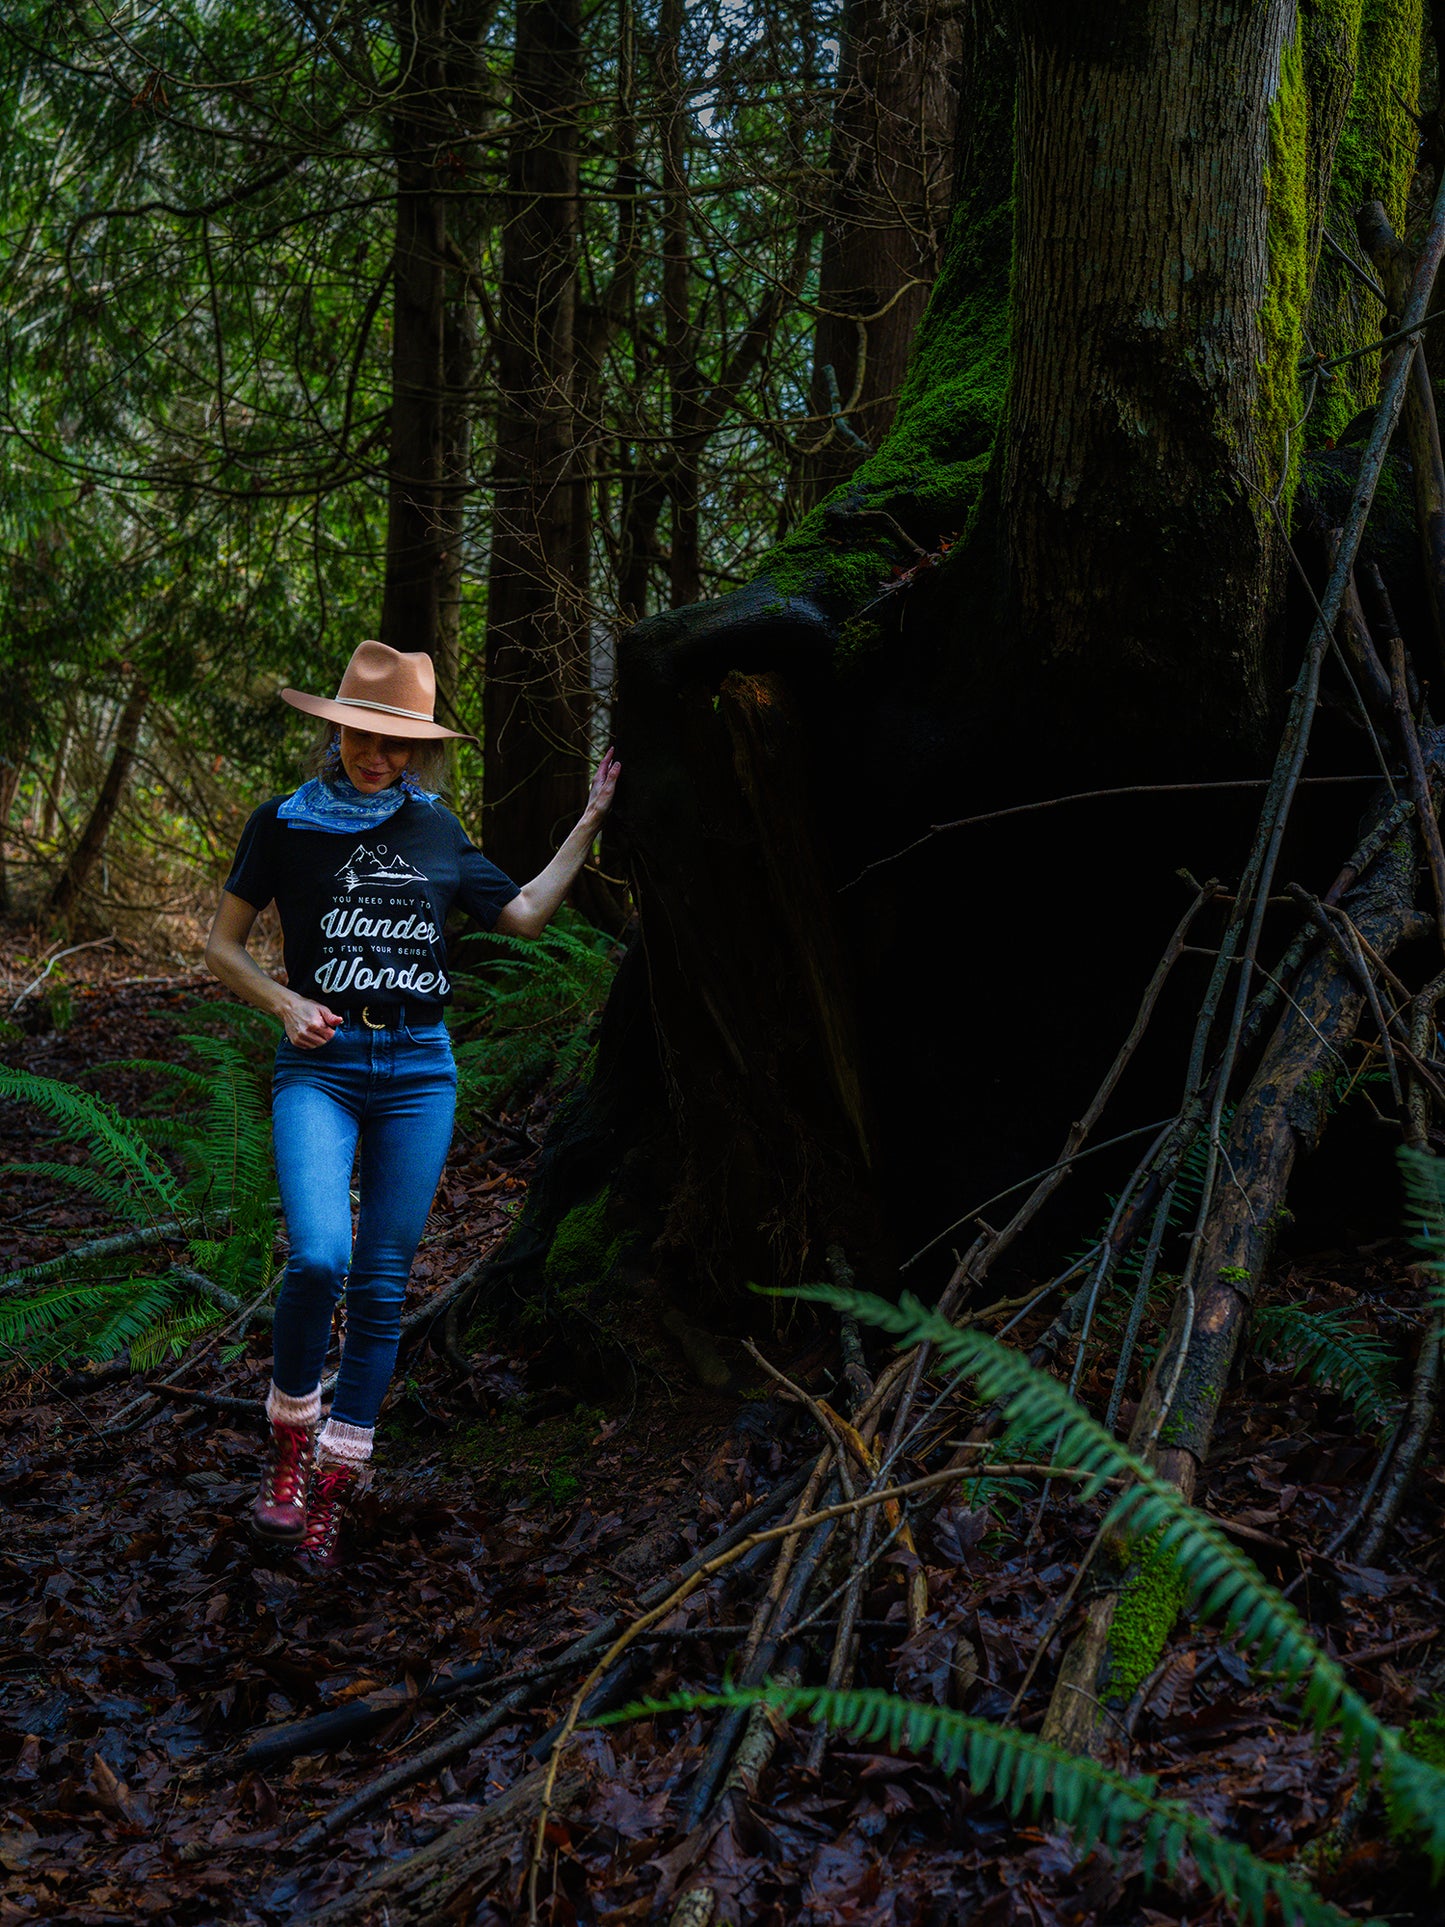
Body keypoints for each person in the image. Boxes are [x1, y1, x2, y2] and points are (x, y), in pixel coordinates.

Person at [205, 640, 618, 1566]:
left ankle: (334, 1484)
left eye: (397, 742)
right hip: (320, 1064)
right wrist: (284, 1001)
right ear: (336, 730)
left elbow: (521, 914)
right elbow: (221, 947)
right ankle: (289, 1443)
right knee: (320, 1255)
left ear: (419, 750)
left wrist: (590, 820)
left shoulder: (436, 829)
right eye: (363, 734)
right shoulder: (282, 823)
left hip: (420, 1069)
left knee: (382, 1282)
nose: (377, 754)